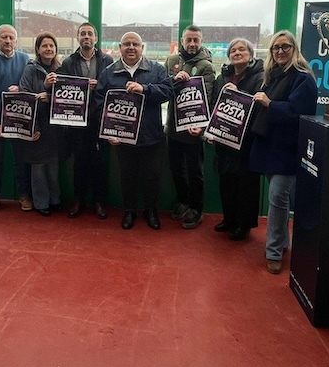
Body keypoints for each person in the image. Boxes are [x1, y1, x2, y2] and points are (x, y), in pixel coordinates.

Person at [250, 30, 317, 274]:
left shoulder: (303, 78)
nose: (279, 51)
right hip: (269, 145)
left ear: (294, 49)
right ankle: (283, 242)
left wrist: (270, 104)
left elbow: (301, 113)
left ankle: (274, 251)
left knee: (277, 198)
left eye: (285, 47)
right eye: (275, 47)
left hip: (288, 148)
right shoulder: (271, 76)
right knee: (280, 198)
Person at [95, 32, 174, 230]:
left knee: (152, 178)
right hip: (122, 139)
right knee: (127, 177)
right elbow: (98, 104)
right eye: (127, 44)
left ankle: (151, 211)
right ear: (120, 48)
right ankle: (129, 211)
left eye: (135, 44)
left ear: (142, 48)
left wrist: (145, 89)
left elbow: (168, 92)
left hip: (151, 136)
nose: (131, 47)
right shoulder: (108, 72)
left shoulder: (156, 69)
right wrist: (108, 132)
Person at [208, 38, 264, 241]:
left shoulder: (260, 77)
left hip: (247, 140)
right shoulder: (222, 77)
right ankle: (229, 219)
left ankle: (244, 224)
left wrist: (237, 94)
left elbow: (258, 106)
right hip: (224, 139)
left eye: (242, 49)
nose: (237, 52)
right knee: (227, 182)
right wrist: (212, 130)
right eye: (233, 50)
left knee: (245, 185)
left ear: (251, 54)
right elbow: (214, 104)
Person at [58, 22, 113, 219]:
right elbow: (62, 89)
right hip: (77, 122)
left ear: (96, 39)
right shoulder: (68, 62)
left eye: (90, 33)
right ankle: (78, 201)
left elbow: (114, 87)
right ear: (78, 38)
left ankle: (99, 202)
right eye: (83, 34)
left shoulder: (108, 60)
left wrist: (99, 86)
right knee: (79, 164)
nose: (86, 37)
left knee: (100, 163)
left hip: (99, 119)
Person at [164, 25, 215, 229]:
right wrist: (174, 79)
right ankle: (183, 202)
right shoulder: (171, 61)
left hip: (194, 129)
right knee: (177, 169)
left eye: (196, 40)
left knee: (195, 172)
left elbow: (208, 98)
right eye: (189, 40)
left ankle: (197, 209)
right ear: (182, 40)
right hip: (173, 128)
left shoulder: (206, 66)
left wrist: (202, 126)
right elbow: (163, 88)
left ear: (201, 41)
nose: (192, 44)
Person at [0, 24, 32, 213]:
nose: (7, 41)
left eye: (11, 38)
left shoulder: (25, 59)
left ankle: (24, 195)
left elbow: (29, 87)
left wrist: (20, 88)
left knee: (21, 160)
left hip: (18, 120)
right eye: (3, 37)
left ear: (16, 41)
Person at [19, 32, 65, 216]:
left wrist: (50, 95)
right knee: (38, 168)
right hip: (36, 126)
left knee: (53, 167)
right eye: (44, 46)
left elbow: (65, 98)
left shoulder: (62, 68)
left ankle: (55, 200)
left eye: (52, 46)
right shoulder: (30, 69)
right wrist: (44, 87)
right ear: (38, 49)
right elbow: (24, 95)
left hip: (54, 128)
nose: (48, 49)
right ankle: (41, 203)